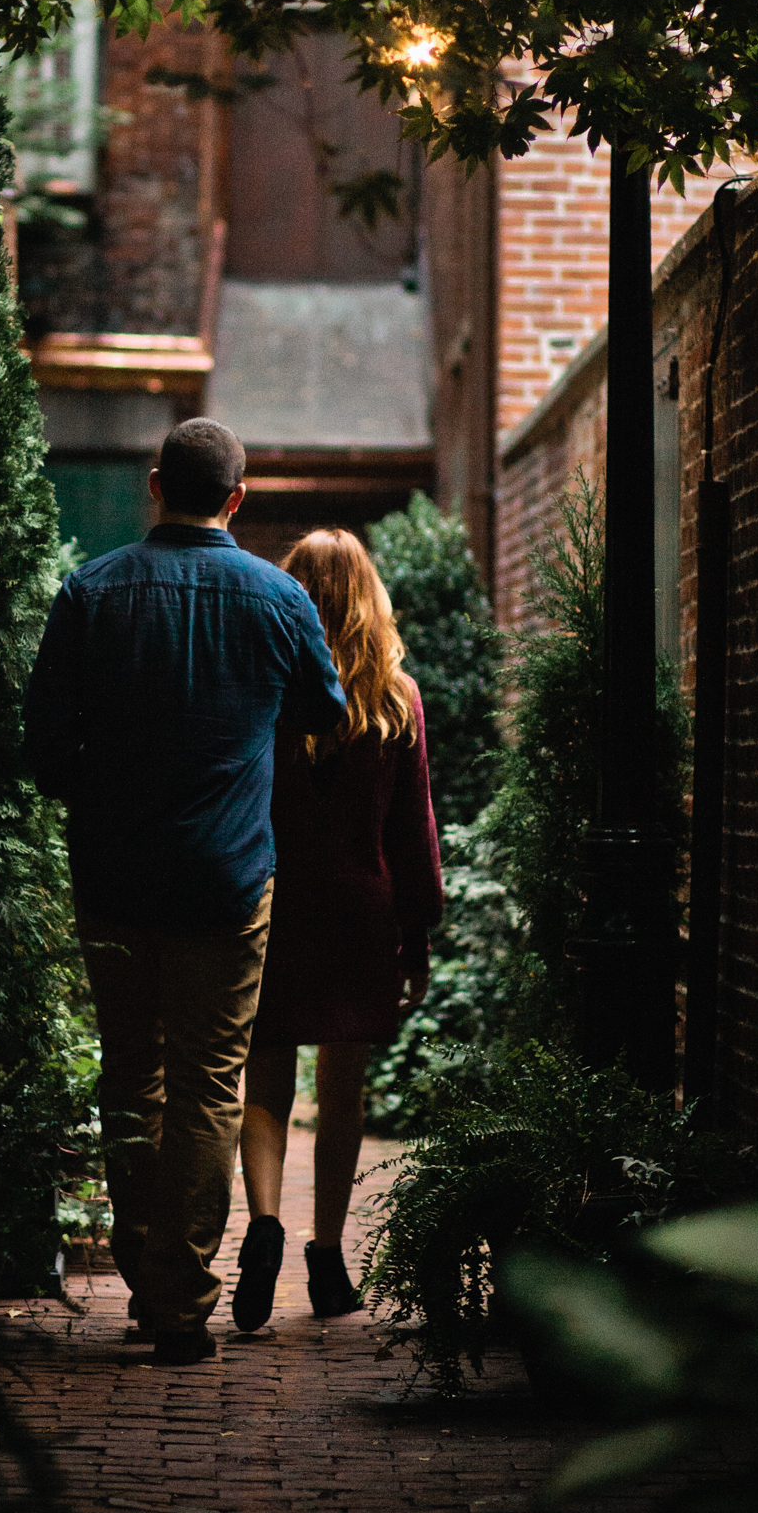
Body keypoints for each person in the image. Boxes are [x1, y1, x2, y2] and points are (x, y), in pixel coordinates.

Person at [21, 418, 347, 1366]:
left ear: (156, 483)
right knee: (209, 1079)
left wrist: (104, 786)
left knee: (130, 1071)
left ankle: (148, 1277)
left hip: (115, 872)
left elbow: (41, 746)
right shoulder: (278, 596)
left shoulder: (90, 590)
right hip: (228, 872)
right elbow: (325, 711)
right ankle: (180, 1297)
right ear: (237, 499)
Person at [231, 529, 444, 1331]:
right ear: (369, 596)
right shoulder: (397, 697)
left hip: (276, 902)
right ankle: (326, 1257)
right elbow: (412, 833)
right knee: (343, 1091)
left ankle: (261, 1225)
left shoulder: (266, 689)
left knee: (267, 1084)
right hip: (361, 911)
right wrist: (415, 935)